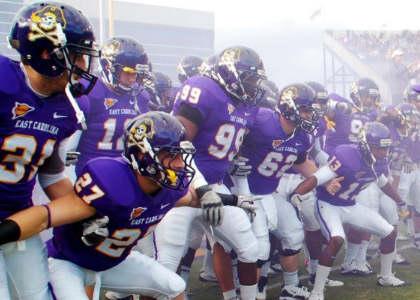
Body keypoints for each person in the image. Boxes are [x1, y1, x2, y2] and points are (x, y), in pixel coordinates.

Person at [0, 2, 99, 299]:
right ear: (48, 54)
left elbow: (53, 174)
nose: (83, 65)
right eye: (78, 55)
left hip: (19, 218)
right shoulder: (5, 82)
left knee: (39, 295)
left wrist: (82, 211)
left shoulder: (69, 107)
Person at [153, 46, 266, 300]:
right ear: (230, 73)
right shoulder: (203, 89)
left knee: (250, 248)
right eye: (248, 79)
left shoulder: (247, 106)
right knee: (167, 260)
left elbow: (222, 145)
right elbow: (177, 144)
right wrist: (202, 188)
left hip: (215, 186)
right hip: (179, 186)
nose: (252, 86)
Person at [290, 121, 407, 300]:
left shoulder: (379, 162)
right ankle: (317, 292)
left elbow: (383, 184)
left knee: (389, 232)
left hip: (350, 205)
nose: (384, 153)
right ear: (366, 145)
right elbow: (318, 177)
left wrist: (400, 201)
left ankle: (386, 276)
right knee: (337, 239)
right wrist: (298, 193)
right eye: (379, 148)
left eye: (386, 148)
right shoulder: (346, 155)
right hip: (328, 204)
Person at [65, 36, 151, 176]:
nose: (133, 79)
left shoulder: (140, 97)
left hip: (125, 172)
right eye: (128, 72)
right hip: (90, 172)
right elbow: (68, 149)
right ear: (108, 67)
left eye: (136, 74)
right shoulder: (89, 91)